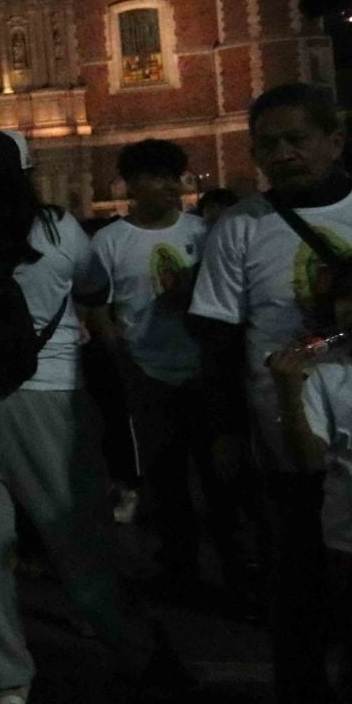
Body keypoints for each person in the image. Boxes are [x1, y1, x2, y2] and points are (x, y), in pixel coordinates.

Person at [0, 128, 173, 704]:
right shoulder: (56, 230)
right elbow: (93, 286)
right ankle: (131, 645)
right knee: (76, 533)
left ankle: (5, 681)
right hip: (48, 393)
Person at [191, 82, 352, 704]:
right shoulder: (241, 228)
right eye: (267, 145)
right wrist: (227, 432)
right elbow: (216, 338)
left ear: (334, 138)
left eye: (296, 139)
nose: (282, 155)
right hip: (286, 446)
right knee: (295, 602)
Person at [86, 140, 238, 595]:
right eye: (157, 177)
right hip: (148, 376)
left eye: (175, 176)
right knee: (166, 477)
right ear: (130, 185)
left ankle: (234, 567)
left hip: (203, 372)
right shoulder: (110, 241)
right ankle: (180, 566)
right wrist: (125, 361)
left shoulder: (203, 233)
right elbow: (98, 309)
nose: (171, 187)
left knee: (220, 478)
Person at [270, 254, 352, 704]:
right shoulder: (331, 375)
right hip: (350, 542)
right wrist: (286, 391)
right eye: (348, 299)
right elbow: (308, 458)